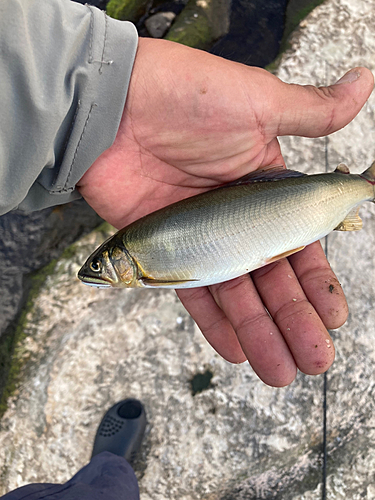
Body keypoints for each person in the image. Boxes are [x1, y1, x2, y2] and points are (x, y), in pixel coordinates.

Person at [0, 0, 373, 497]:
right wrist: (85, 92)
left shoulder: (142, 261)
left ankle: (109, 471)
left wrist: (93, 99)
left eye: (100, 266)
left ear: (121, 261)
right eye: (98, 266)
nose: (97, 273)